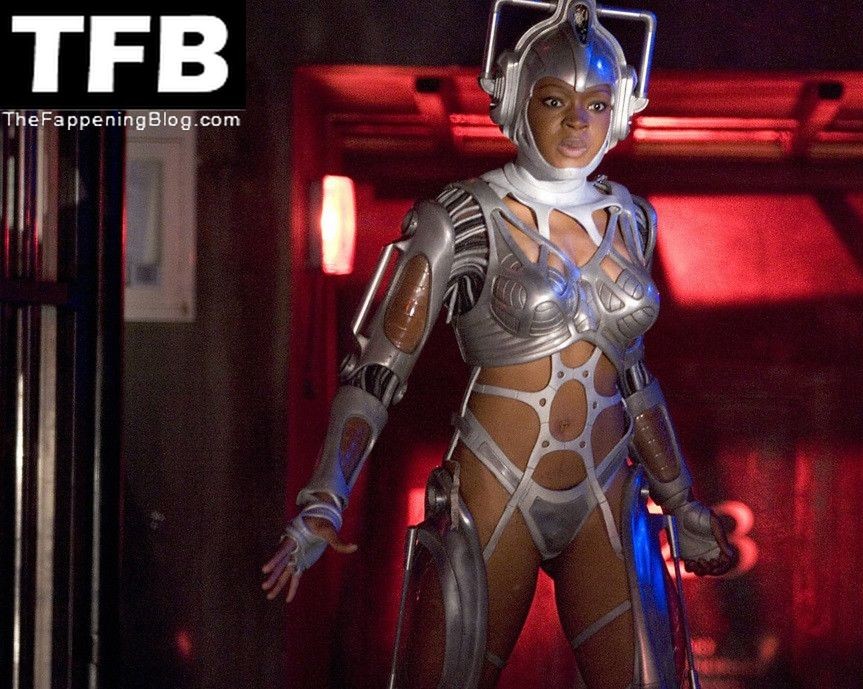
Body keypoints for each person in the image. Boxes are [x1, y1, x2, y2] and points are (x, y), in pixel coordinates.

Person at [261, 1, 734, 687]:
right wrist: (323, 499)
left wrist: (682, 500)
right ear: (516, 100)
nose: (578, 122)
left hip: (606, 491)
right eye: (555, 100)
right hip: (495, 488)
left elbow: (633, 377)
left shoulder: (631, 219)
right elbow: (376, 372)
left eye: (597, 104)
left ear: (620, 110)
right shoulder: (460, 217)